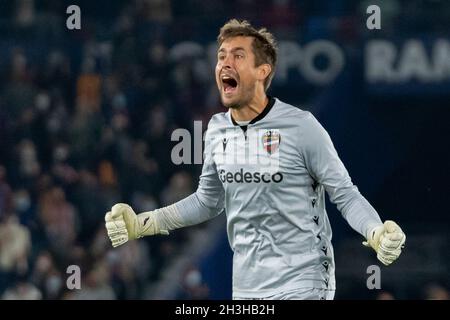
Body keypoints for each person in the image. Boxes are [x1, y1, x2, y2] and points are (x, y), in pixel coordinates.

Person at [105, 19, 406, 300]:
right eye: (221, 56)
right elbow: (207, 202)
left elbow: (344, 193)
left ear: (262, 71)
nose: (224, 63)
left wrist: (375, 231)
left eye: (237, 56)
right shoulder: (217, 129)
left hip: (303, 281)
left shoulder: (302, 127)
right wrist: (142, 224)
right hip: (247, 287)